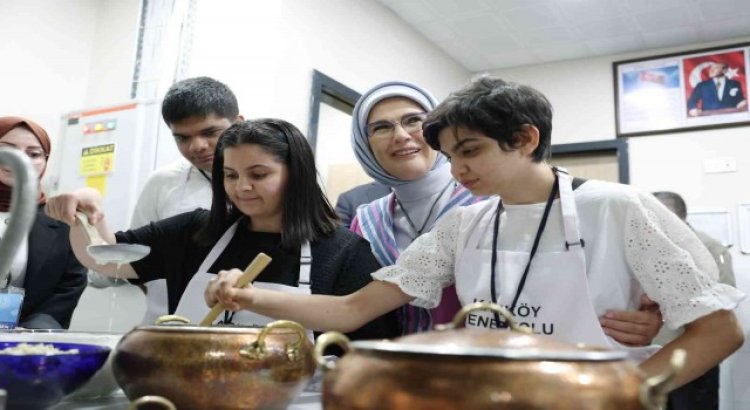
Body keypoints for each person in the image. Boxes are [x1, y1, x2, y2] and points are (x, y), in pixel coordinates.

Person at [206, 76, 744, 389]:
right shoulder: (465, 223)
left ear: (526, 138)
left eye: (471, 151)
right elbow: (352, 310)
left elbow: (720, 331)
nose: (458, 170)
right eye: (451, 156)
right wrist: (252, 294)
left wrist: (628, 391)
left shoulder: (620, 208)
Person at [348, 81, 661, 341]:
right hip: (394, 365)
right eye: (380, 127)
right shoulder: (366, 218)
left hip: (488, 367)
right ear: (365, 143)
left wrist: (650, 312)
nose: (401, 135)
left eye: (413, 120)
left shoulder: (495, 196)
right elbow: (353, 306)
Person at [45, 118, 398, 341]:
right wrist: (87, 212)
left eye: (258, 175)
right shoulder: (196, 230)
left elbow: (365, 346)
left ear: (296, 174)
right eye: (230, 175)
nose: (241, 187)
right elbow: (109, 261)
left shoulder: (344, 251)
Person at [128, 76, 243, 324]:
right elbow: (135, 259)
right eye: (182, 138)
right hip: (168, 327)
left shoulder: (276, 180)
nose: (197, 146)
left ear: (239, 123)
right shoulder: (163, 182)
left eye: (210, 132)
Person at [0, 117, 87, 329]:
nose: (19, 160)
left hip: (28, 344)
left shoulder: (61, 219)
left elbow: (71, 284)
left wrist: (32, 332)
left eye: (34, 154)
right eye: (8, 150)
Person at [653, 191, 736, 410]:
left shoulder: (709, 248)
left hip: (694, 353)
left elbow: (724, 302)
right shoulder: (648, 245)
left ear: (679, 217)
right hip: (652, 353)